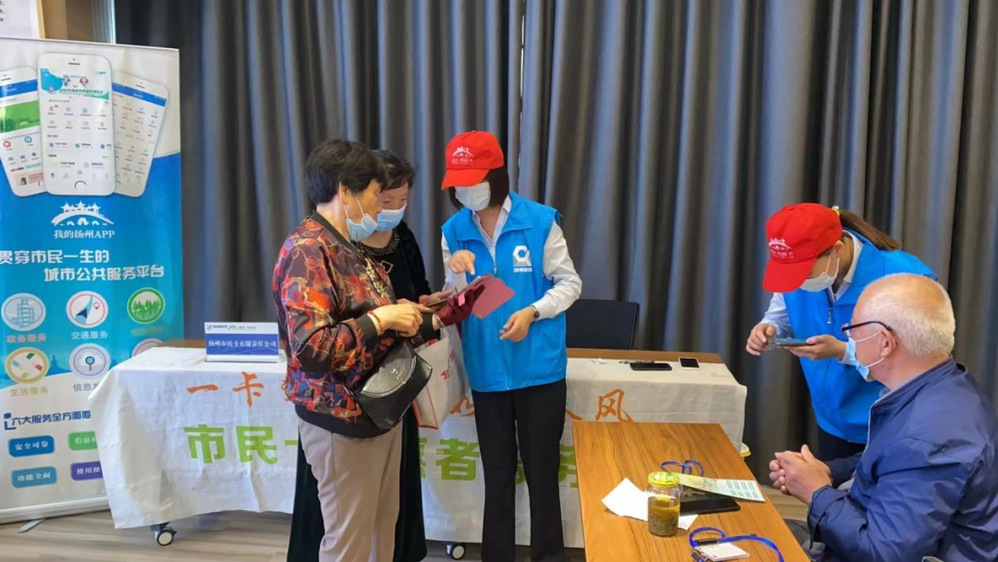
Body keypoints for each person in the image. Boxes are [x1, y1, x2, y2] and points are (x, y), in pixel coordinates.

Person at [274, 140, 465, 562]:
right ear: (346, 192)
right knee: (349, 540)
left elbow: (375, 318)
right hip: (341, 417)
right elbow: (311, 348)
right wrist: (381, 319)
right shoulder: (308, 251)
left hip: (378, 410)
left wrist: (417, 314)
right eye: (377, 194)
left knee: (381, 528)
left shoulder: (348, 247)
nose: (381, 207)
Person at [769, 274, 998, 561]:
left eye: (852, 329)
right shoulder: (943, 385)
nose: (848, 339)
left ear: (885, 343)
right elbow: (888, 461)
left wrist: (816, 492)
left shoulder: (927, 438)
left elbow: (883, 553)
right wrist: (827, 470)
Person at [439, 130, 582, 562]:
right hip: (488, 371)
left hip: (539, 370)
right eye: (459, 183)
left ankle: (549, 556)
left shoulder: (539, 221)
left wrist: (532, 313)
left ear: (496, 175)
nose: (466, 190)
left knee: (542, 473)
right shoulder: (453, 231)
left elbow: (570, 284)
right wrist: (455, 275)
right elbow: (454, 304)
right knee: (497, 474)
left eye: (474, 180)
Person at [745, 203, 935, 461]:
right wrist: (769, 328)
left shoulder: (905, 279)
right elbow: (781, 311)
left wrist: (843, 351)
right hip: (831, 421)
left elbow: (920, 359)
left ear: (837, 250)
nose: (798, 282)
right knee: (832, 485)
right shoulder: (800, 268)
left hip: (891, 425)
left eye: (805, 273)